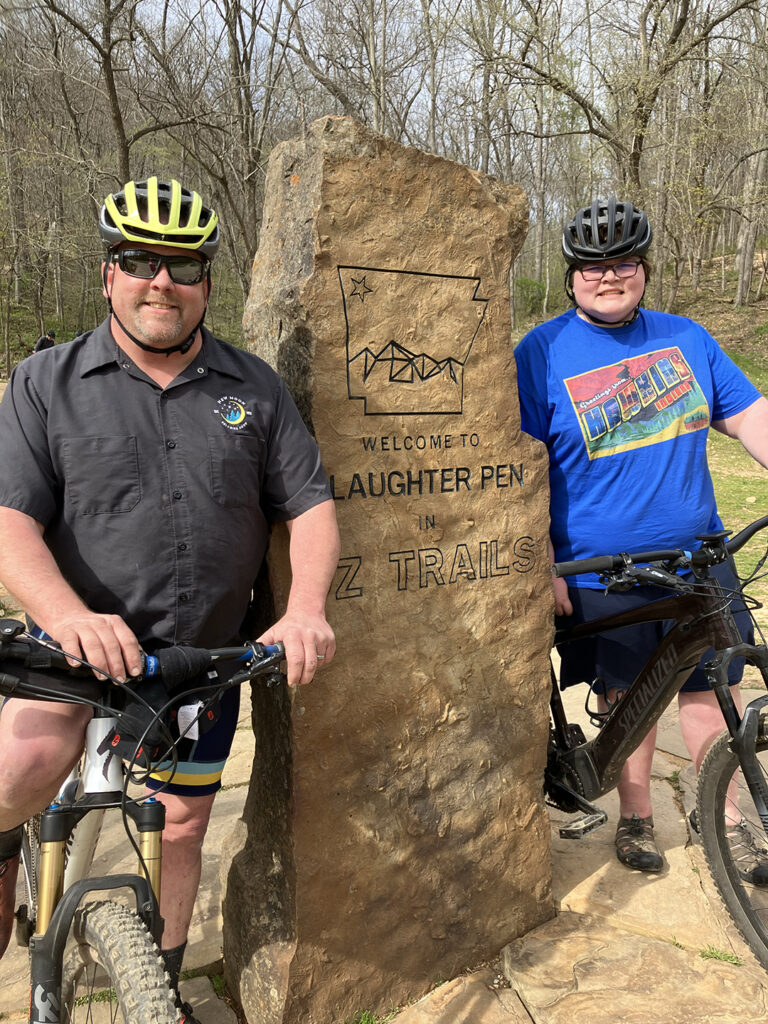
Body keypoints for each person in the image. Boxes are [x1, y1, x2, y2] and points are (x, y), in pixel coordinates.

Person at [0, 177, 340, 1022]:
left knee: (181, 828)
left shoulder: (254, 389)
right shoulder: (46, 381)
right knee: (20, 775)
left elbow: (311, 506)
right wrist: (65, 615)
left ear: (207, 285)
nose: (162, 281)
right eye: (141, 262)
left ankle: (164, 985)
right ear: (109, 274)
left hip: (196, 663)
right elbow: (8, 520)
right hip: (65, 655)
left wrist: (304, 610)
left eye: (182, 266)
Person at [515, 197, 768, 874]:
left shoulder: (687, 339)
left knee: (715, 690)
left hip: (701, 557)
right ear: (571, 277)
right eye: (592, 266)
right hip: (605, 569)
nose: (608, 276)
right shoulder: (539, 353)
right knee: (633, 700)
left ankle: (731, 819)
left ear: (644, 269)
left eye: (622, 261)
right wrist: (542, 563)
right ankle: (635, 818)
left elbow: (750, 418)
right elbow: (520, 466)